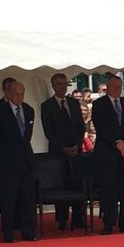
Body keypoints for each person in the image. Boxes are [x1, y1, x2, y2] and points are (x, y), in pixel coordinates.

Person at [0, 79, 37, 242]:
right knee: (8, 197)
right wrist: (1, 157)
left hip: (26, 159)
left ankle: (28, 231)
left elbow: (27, 136)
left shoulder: (28, 110)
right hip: (7, 161)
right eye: (16, 94)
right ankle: (8, 232)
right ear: (8, 93)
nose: (19, 97)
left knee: (28, 196)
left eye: (22, 94)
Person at [92, 75, 124, 234]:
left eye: (119, 86)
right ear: (108, 87)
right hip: (107, 152)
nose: (117, 89)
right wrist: (117, 143)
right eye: (114, 86)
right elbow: (101, 127)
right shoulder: (99, 104)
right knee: (109, 189)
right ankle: (109, 223)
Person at [39, 73, 87, 231]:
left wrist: (77, 145)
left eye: (64, 83)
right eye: (59, 84)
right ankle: (62, 218)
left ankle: (79, 218)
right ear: (53, 86)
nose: (62, 86)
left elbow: (80, 126)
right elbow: (49, 131)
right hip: (58, 152)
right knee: (61, 184)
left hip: (75, 149)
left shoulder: (73, 103)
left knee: (77, 182)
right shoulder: (47, 106)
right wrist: (63, 148)